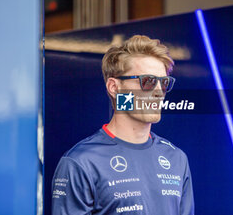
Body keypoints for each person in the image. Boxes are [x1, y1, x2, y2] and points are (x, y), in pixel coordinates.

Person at [51, 35, 194, 214]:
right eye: (148, 81)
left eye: (163, 83)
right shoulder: (80, 162)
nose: (158, 92)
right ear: (114, 87)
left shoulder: (176, 159)